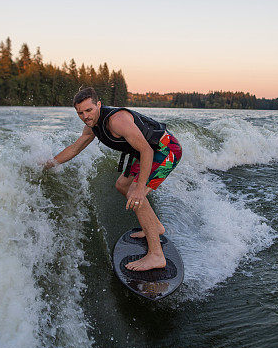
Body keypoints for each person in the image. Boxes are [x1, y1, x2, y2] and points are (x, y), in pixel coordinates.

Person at [45, 87, 182, 271]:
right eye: (80, 113)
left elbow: (147, 150)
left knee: (135, 194)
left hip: (165, 150)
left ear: (98, 105)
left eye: (89, 110)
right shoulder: (91, 126)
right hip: (145, 150)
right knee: (122, 185)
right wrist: (50, 163)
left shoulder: (117, 121)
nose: (85, 116)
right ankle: (155, 227)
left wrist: (140, 189)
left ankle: (157, 255)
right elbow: (75, 148)